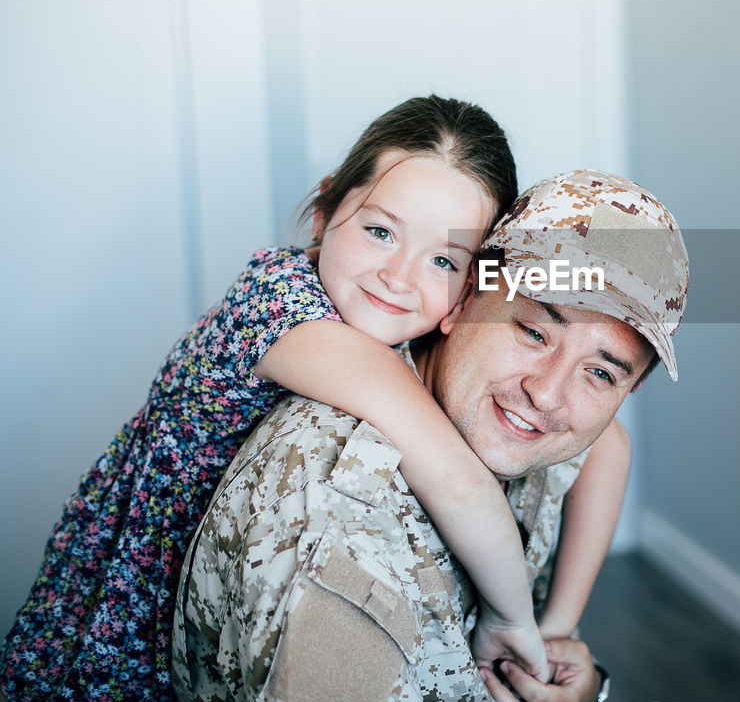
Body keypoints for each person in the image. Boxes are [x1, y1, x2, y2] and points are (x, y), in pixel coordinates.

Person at [1, 98, 622, 700]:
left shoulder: (418, 327)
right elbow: (460, 483)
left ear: (469, 289)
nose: (399, 276)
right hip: (118, 633)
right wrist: (513, 623)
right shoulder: (281, 310)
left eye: (442, 259)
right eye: (380, 231)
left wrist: (558, 626)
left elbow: (610, 446)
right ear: (326, 211)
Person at [171, 169, 690, 702]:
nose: (549, 395)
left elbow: (610, 446)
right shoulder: (338, 511)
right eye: (533, 332)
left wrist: (558, 652)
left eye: (600, 373)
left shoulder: (526, 423)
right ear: (463, 301)